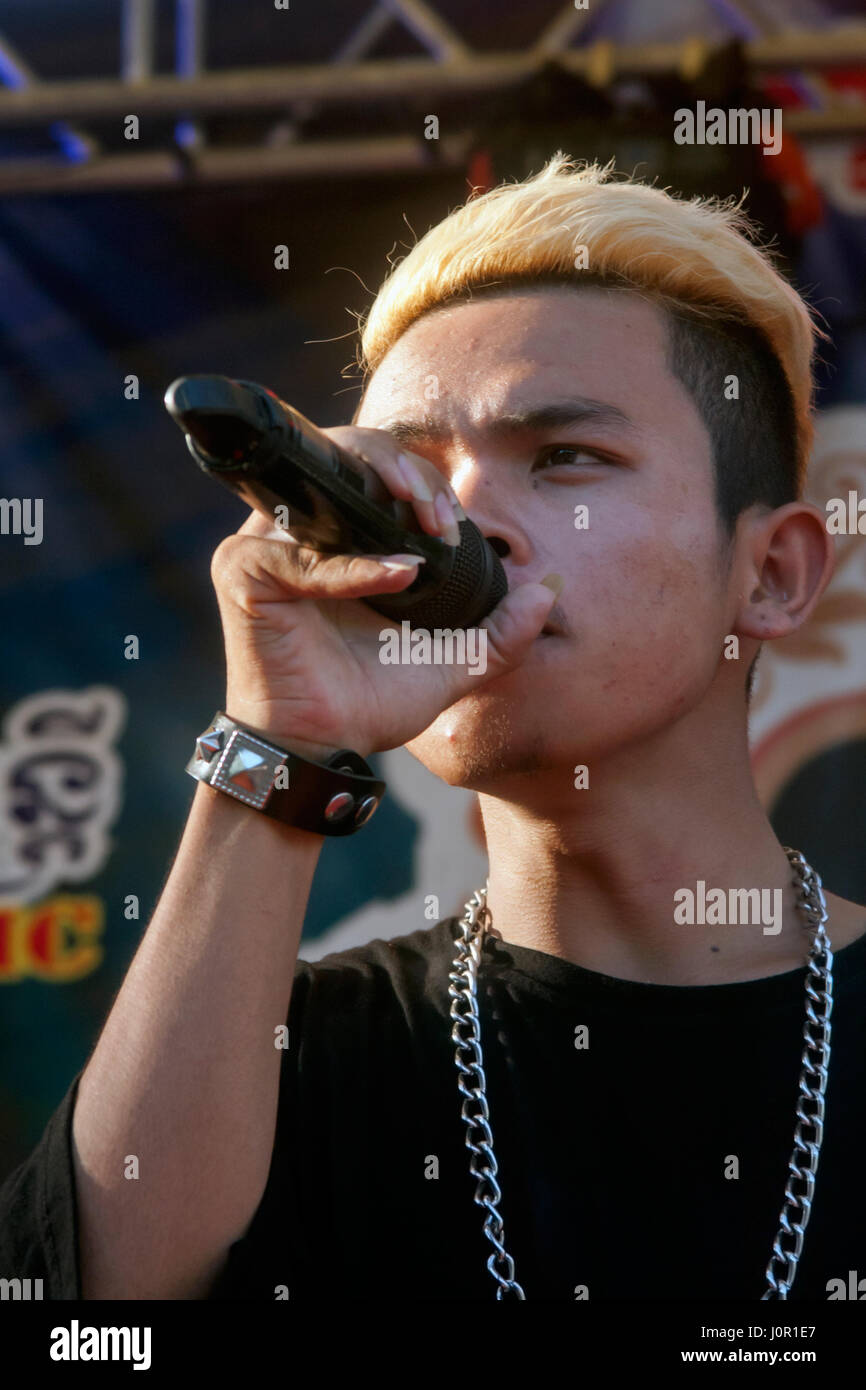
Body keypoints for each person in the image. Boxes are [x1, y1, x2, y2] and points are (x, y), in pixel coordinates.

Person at [2, 153, 865, 1303]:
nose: (463, 527)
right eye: (413, 474)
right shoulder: (275, 1061)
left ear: (770, 573)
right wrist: (285, 732)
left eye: (563, 456)